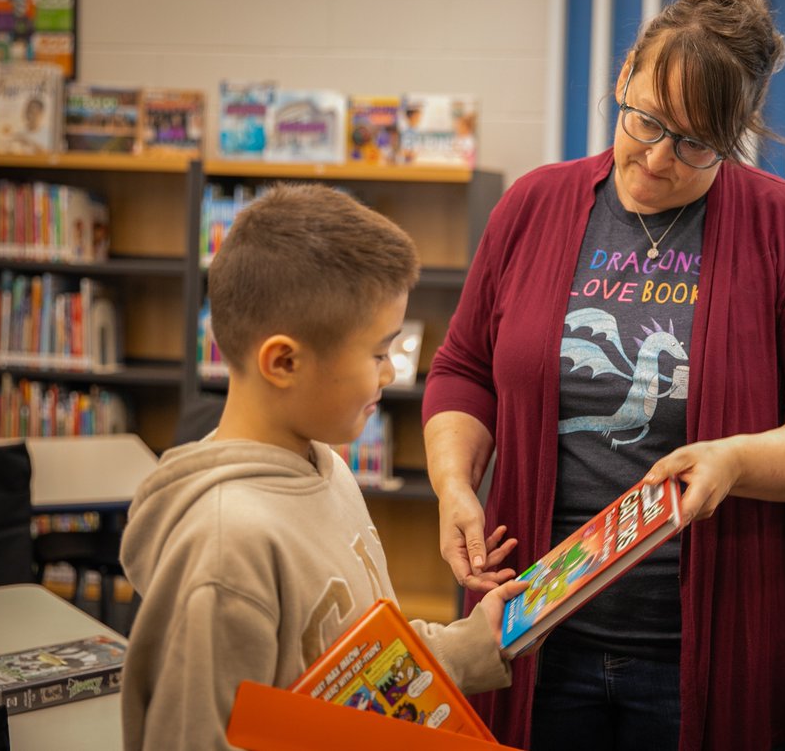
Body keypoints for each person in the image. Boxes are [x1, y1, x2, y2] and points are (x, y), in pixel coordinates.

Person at [422, 0, 785, 751]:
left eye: (695, 141)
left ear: (734, 136)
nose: (659, 157)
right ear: (623, 76)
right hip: (533, 625)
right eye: (644, 120)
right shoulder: (533, 206)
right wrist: (454, 483)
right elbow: (463, 370)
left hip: (709, 633)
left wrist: (737, 460)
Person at [119, 183, 526, 751]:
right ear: (284, 361)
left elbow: (356, 668)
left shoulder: (327, 469)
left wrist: (466, 644)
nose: (389, 375)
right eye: (379, 353)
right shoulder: (223, 549)